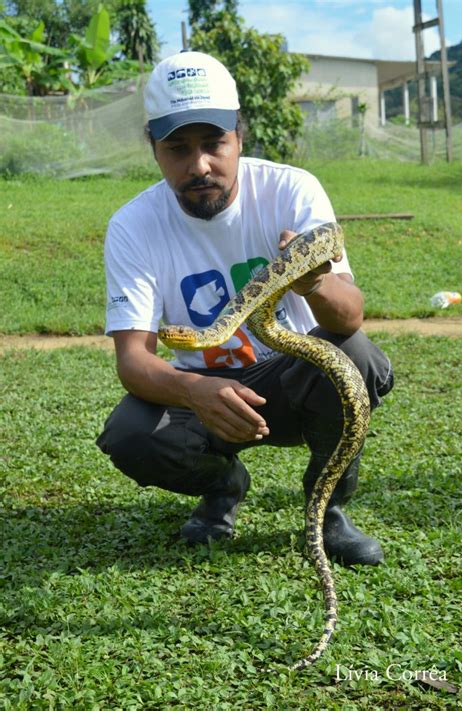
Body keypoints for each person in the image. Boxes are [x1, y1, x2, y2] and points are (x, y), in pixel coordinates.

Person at [96, 50, 393, 566]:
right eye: (177, 149)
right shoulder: (133, 225)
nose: (199, 166)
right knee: (129, 434)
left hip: (291, 376)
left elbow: (348, 318)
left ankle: (329, 512)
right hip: (203, 392)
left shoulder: (290, 189)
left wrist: (316, 283)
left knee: (356, 357)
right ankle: (223, 488)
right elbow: (135, 361)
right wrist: (194, 389)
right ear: (154, 149)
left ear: (239, 137)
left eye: (214, 144)